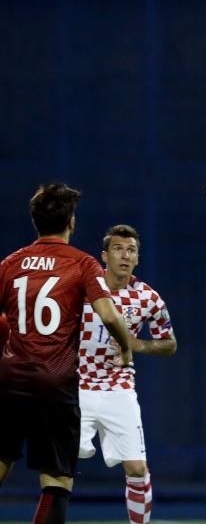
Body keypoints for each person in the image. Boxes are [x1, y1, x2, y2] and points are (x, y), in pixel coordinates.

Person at [0, 183, 136, 524]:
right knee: (57, 479)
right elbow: (108, 314)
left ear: (35, 221)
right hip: (55, 383)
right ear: (71, 222)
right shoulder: (83, 264)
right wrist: (125, 345)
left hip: (10, 379)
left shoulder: (11, 264)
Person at [78, 224, 177, 524]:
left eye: (131, 250)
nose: (125, 255)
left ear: (137, 258)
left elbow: (170, 344)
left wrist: (137, 344)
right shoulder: (81, 288)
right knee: (57, 468)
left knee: (137, 469)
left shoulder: (147, 297)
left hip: (119, 388)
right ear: (104, 256)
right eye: (119, 249)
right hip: (76, 386)